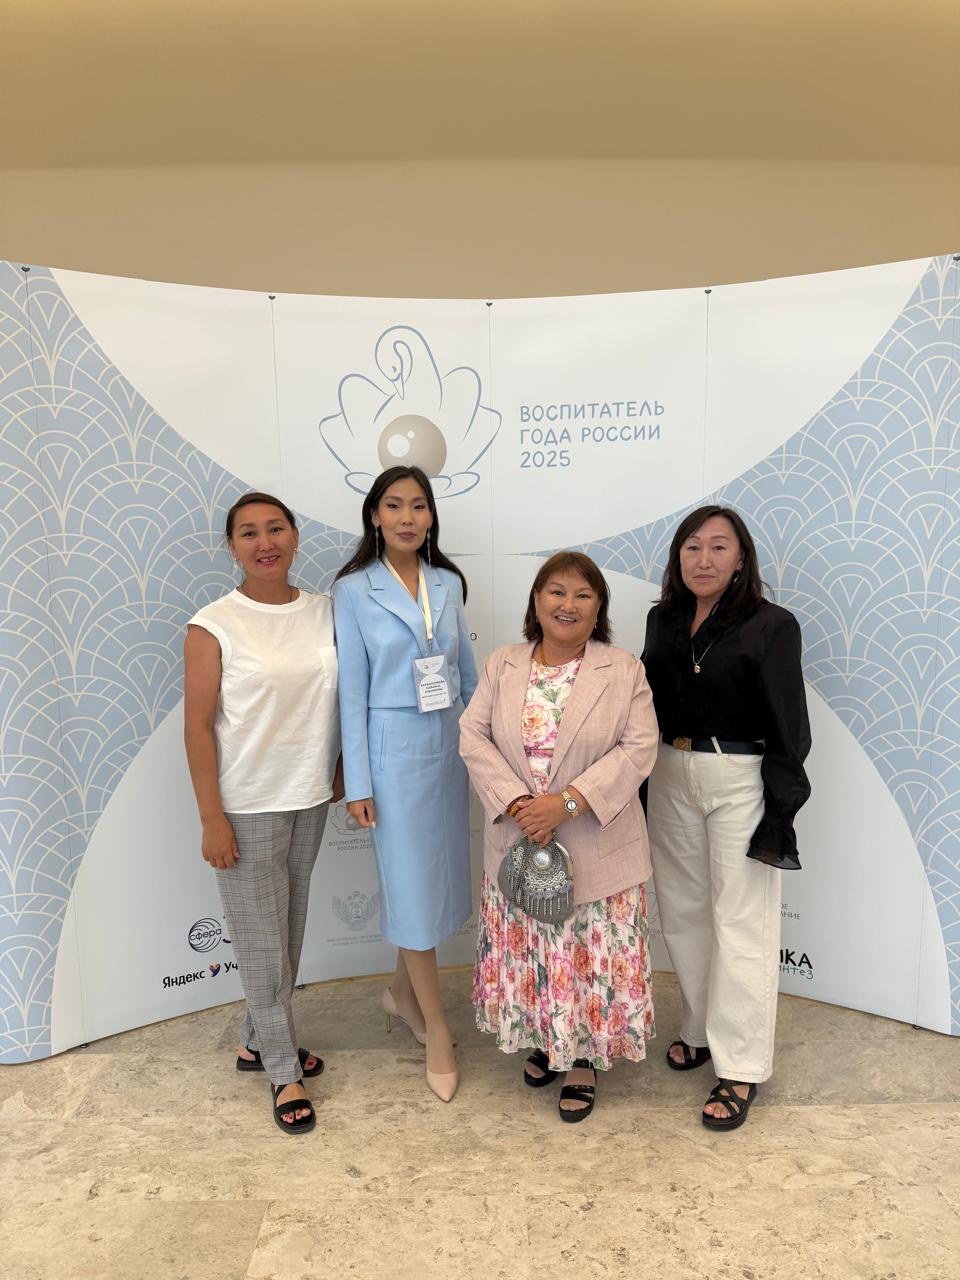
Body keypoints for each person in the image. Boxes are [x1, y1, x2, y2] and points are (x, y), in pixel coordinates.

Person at [459, 552, 659, 1122]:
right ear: (536, 600)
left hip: (595, 844)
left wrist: (564, 804)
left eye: (582, 595)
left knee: (585, 958)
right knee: (535, 952)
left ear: (598, 609)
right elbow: (472, 735)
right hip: (520, 841)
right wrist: (519, 803)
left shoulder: (623, 669)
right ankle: (547, 1037)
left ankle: (583, 1058)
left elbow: (639, 748)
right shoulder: (502, 664)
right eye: (556, 591)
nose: (567, 604)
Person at [642, 504, 811, 1131]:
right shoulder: (662, 619)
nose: (704, 559)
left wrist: (780, 810)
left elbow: (790, 727)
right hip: (668, 770)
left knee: (740, 919)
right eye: (692, 546)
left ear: (741, 559)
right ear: (677, 557)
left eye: (719, 547)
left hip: (739, 778)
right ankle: (699, 1029)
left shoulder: (773, 625)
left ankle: (740, 1064)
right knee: (683, 911)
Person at [183, 492, 342, 1136]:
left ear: (295, 537)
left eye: (275, 528)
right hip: (246, 803)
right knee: (261, 943)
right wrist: (211, 817)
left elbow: (345, 697)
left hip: (309, 796)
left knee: (287, 931)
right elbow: (197, 727)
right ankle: (282, 1069)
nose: (264, 542)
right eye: (248, 533)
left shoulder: (325, 611)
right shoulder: (214, 624)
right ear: (232, 547)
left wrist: (342, 769)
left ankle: (257, 1042)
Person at [332, 465, 478, 1102]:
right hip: (392, 757)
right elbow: (352, 694)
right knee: (413, 887)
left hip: (447, 747)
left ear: (430, 516)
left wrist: (485, 753)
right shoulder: (352, 591)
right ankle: (438, 1028)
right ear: (375, 515)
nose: (408, 518)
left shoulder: (447, 583)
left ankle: (400, 994)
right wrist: (358, 783)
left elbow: (466, 674)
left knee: (432, 884)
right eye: (394, 505)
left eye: (419, 506)